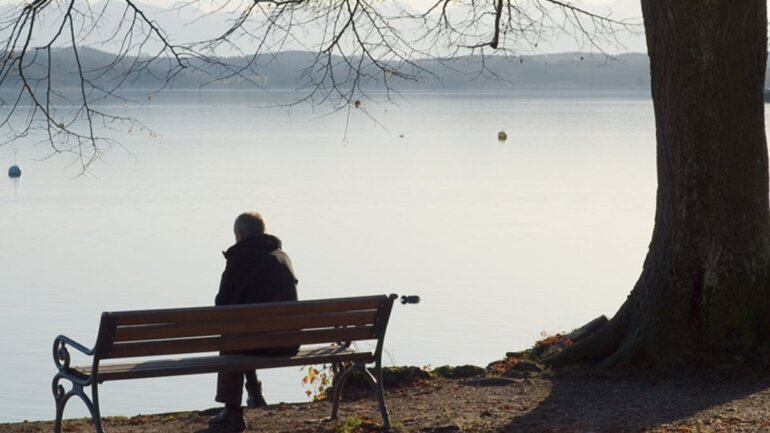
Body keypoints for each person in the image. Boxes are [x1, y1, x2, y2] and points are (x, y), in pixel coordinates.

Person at [208, 211, 299, 433]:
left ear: (240, 234)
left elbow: (223, 306)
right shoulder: (282, 256)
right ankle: (254, 392)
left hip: (257, 343)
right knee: (244, 333)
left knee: (232, 336)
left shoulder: (239, 258)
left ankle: (232, 412)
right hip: (287, 342)